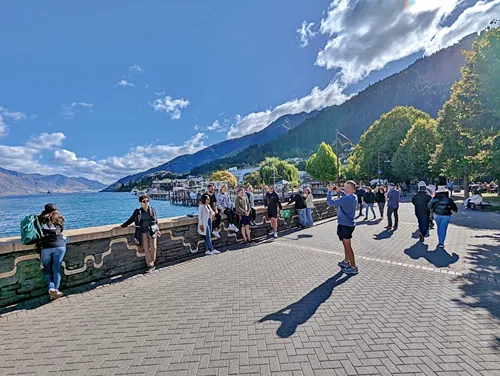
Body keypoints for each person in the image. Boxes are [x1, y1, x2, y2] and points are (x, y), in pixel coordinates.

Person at [121, 195, 160, 273]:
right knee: (146, 249)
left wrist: (157, 229)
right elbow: (130, 220)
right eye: (144, 201)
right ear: (140, 203)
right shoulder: (138, 212)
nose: (146, 203)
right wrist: (121, 226)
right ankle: (150, 265)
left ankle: (152, 262)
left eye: (147, 201)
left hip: (152, 232)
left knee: (154, 248)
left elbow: (155, 221)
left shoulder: (152, 210)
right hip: (143, 232)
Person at [326, 181, 359, 275]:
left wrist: (329, 192)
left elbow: (330, 202)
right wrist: (340, 191)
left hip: (345, 225)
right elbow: (346, 196)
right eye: (344, 187)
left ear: (351, 189)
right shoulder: (353, 197)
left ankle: (353, 267)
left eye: (346, 187)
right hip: (348, 224)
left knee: (348, 247)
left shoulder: (346, 200)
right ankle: (346, 261)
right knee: (346, 245)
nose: (345, 188)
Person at [38, 203, 66, 300]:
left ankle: (51, 288)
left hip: (46, 247)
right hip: (60, 246)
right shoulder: (60, 220)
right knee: (56, 269)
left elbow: (37, 232)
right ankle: (55, 291)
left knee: (46, 268)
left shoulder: (40, 220)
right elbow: (61, 231)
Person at [429, 183, 458, 248]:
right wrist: (452, 209)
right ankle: (441, 242)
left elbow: (429, 205)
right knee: (443, 228)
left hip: (437, 214)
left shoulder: (435, 198)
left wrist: (433, 209)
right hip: (446, 215)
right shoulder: (448, 199)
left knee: (439, 227)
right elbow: (454, 207)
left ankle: (440, 239)